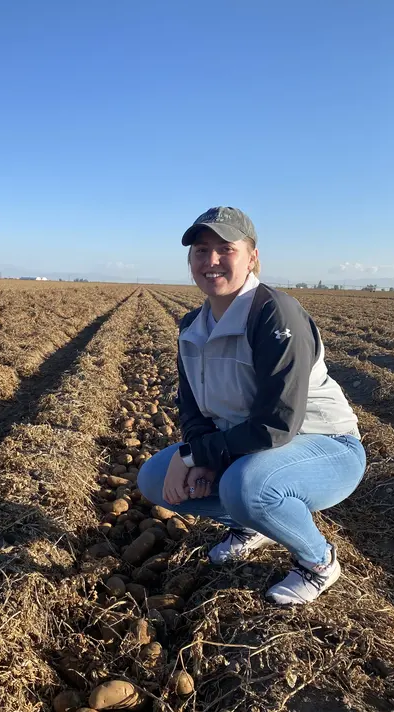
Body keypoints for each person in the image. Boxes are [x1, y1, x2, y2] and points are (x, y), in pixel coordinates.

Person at [137, 206, 366, 605]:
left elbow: (276, 425)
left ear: (252, 257)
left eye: (226, 249)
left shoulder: (273, 314)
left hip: (326, 448)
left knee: (247, 486)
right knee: (155, 478)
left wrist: (194, 457)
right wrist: (200, 451)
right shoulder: (192, 327)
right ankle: (249, 527)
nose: (211, 261)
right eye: (201, 251)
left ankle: (319, 561)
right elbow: (192, 410)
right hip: (250, 448)